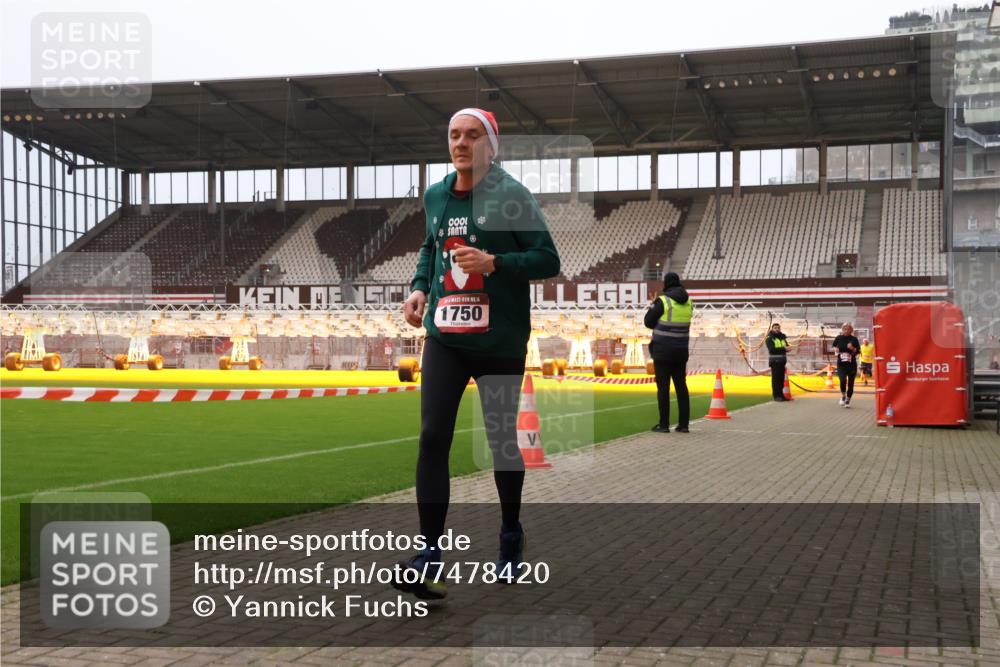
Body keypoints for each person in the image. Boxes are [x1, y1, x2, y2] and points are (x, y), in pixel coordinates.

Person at [395, 108, 560, 598]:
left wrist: (495, 263)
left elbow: (548, 259)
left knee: (501, 442)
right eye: (453, 135)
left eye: (471, 136)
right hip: (445, 338)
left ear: (490, 144)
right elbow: (431, 246)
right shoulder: (437, 194)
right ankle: (429, 553)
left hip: (499, 342)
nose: (461, 143)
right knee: (431, 438)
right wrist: (420, 287)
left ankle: (510, 533)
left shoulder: (511, 196)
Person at [644, 272, 692, 433]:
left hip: (663, 351)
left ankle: (664, 425)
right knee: (681, 387)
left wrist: (653, 305)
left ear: (666, 284)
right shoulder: (689, 302)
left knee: (663, 388)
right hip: (681, 351)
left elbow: (648, 322)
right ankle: (684, 425)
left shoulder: (663, 301)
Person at [831, 323, 861, 407]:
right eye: (845, 329)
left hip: (851, 364)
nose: (846, 330)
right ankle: (843, 396)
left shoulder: (854, 339)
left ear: (851, 330)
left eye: (848, 329)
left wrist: (853, 348)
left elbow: (858, 352)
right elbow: (833, 347)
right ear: (842, 329)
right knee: (842, 380)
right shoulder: (838, 338)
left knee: (851, 383)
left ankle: (848, 400)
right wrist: (835, 349)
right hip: (841, 364)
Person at [765, 322, 790, 401]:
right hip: (775, 361)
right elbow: (772, 349)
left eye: (778, 328)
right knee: (776, 380)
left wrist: (788, 348)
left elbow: (785, 346)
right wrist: (784, 349)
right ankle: (776, 396)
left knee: (781, 380)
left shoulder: (782, 337)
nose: (777, 329)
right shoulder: (769, 338)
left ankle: (781, 395)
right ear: (772, 329)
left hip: (782, 361)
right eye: (775, 328)